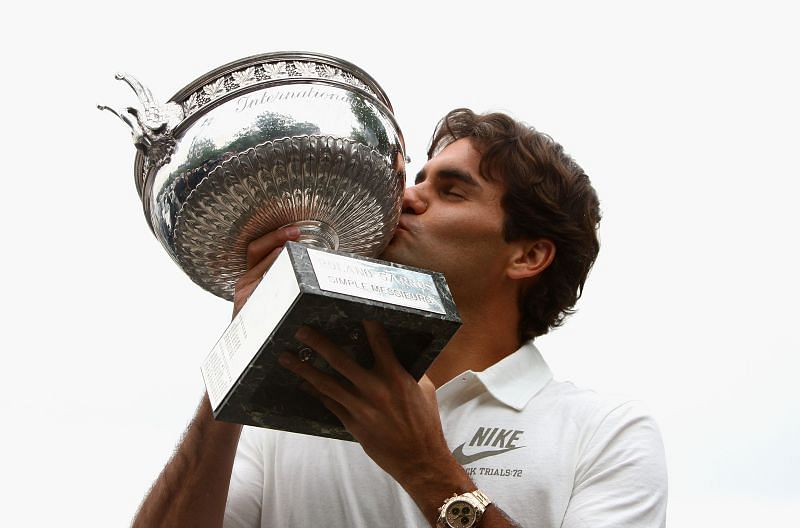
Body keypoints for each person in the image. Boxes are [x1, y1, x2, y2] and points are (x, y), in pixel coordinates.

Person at [132, 108, 667, 527]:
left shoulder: (605, 432)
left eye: (451, 191)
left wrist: (427, 469)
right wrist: (247, 348)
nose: (407, 198)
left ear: (527, 256)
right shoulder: (292, 411)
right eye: (418, 179)